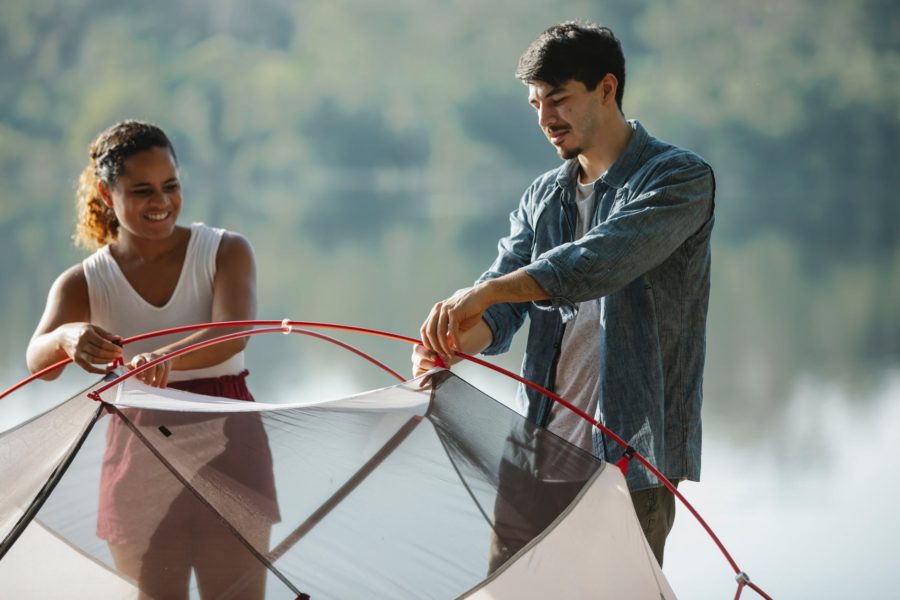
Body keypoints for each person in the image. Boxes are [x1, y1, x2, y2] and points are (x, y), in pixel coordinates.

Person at [414, 21, 715, 567]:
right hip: (536, 452)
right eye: (535, 104)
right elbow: (502, 310)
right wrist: (454, 340)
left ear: (606, 88)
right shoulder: (543, 196)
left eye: (558, 100)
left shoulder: (678, 179)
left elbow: (595, 263)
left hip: (630, 463)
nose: (545, 119)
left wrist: (483, 292)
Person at [26, 120, 278, 599]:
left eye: (171, 186)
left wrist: (163, 355)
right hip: (138, 449)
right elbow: (39, 362)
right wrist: (66, 336)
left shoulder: (225, 250)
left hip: (230, 442)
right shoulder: (84, 281)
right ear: (106, 192)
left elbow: (235, 332)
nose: (161, 202)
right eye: (142, 190)